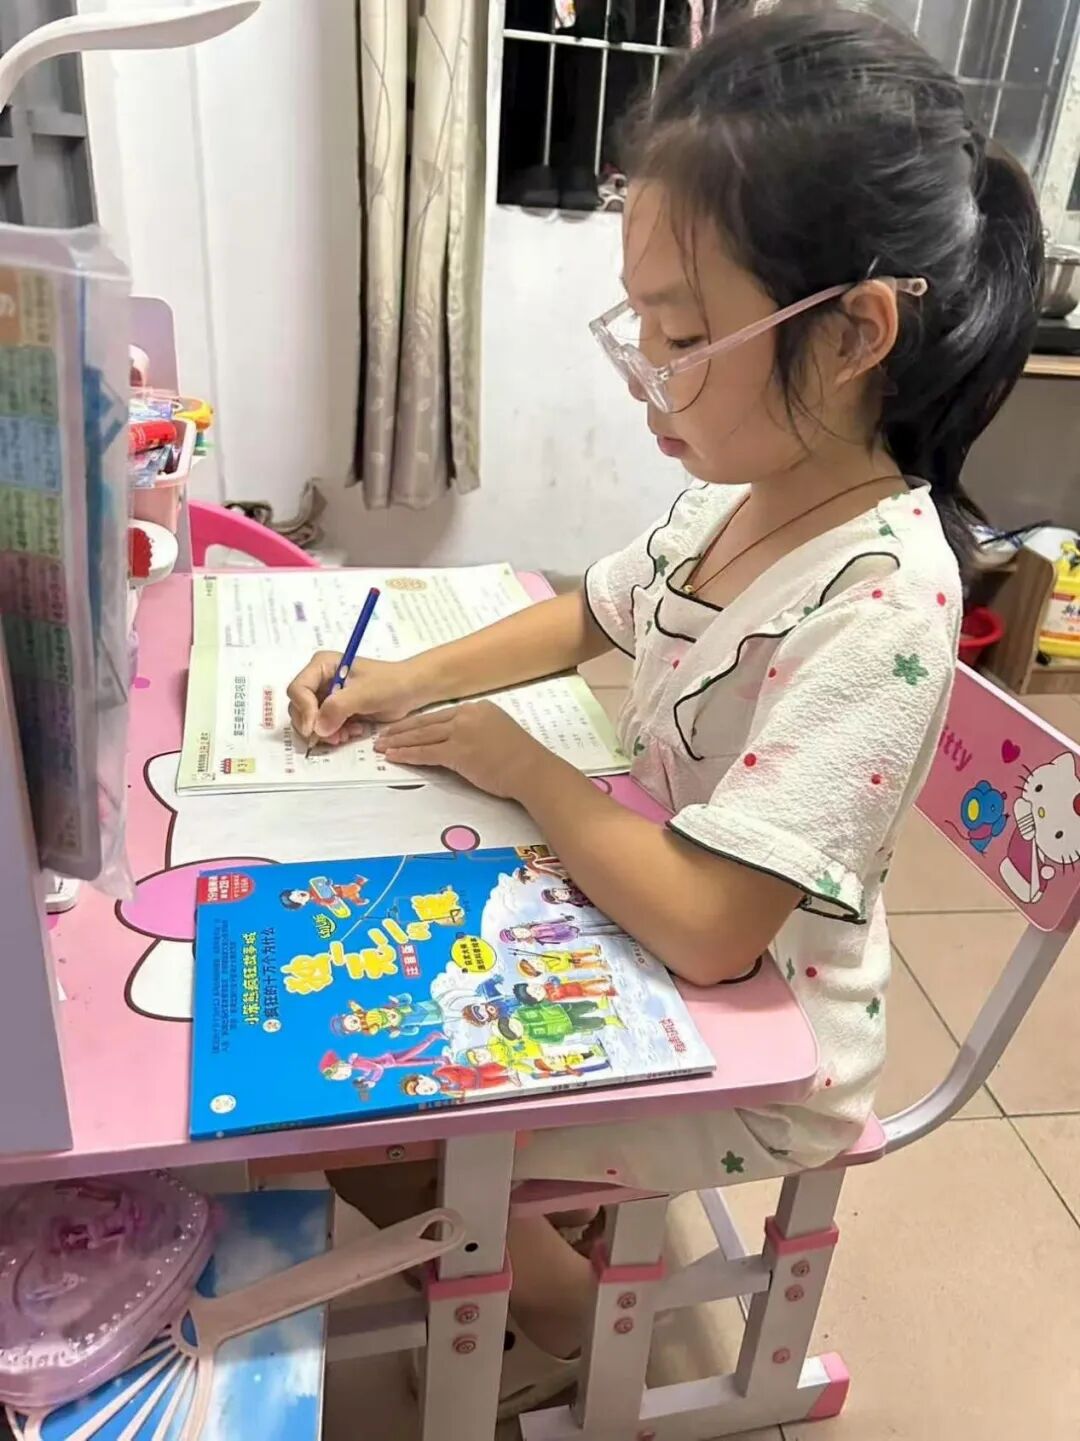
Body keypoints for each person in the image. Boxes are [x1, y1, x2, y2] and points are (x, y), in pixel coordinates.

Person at [289, 5, 1042, 1417]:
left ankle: (570, 1316)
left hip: (767, 1034)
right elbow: (593, 608)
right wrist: (403, 678)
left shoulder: (885, 597)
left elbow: (710, 927)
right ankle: (541, 1239)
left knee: (366, 1114)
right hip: (653, 908)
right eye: (635, 320)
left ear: (855, 333)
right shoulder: (736, 500)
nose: (643, 370)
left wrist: (528, 767)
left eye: (683, 333)